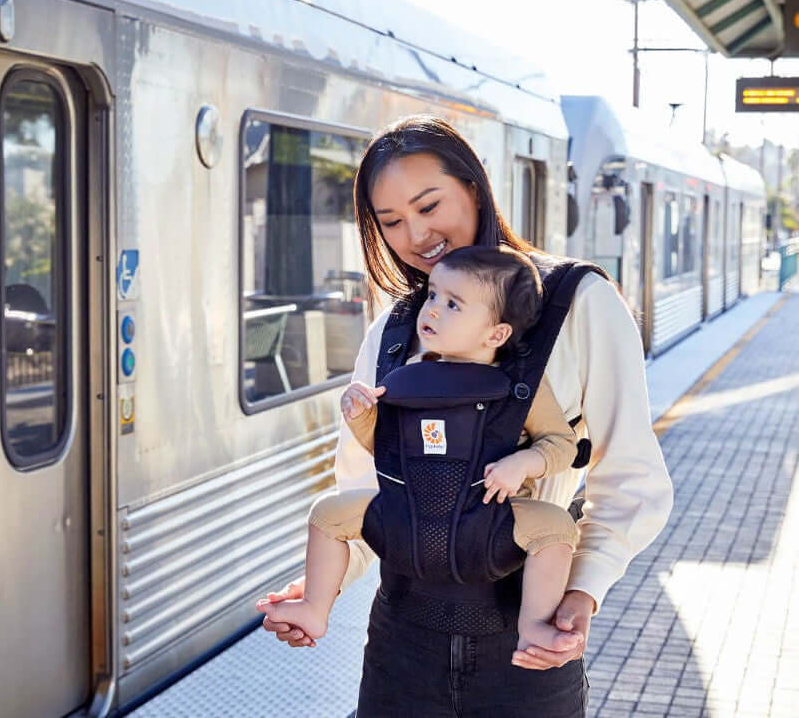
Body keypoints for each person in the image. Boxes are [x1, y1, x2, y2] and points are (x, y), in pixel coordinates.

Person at [259, 115, 673, 716]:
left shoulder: (579, 303)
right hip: (401, 644)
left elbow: (631, 477)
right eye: (392, 221)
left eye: (429, 206)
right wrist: (325, 586)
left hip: (523, 645)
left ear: (475, 189)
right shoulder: (396, 328)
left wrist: (582, 591)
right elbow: (367, 487)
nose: (417, 234)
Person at [259, 245, 583, 655]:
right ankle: (314, 607)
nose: (431, 310)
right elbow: (389, 450)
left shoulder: (521, 391)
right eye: (432, 295)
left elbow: (560, 445)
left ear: (496, 333)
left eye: (453, 304)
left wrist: (523, 463)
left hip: (487, 523)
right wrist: (361, 415)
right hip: (407, 516)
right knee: (326, 514)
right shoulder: (408, 377)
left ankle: (535, 626)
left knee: (556, 527)